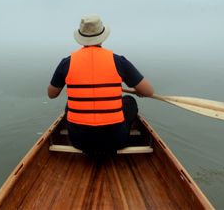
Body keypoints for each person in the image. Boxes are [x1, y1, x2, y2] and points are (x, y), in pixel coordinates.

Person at [47, 14, 154, 155]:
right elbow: (149, 92)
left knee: (69, 104)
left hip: (79, 141)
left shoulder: (66, 63)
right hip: (116, 140)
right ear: (103, 36)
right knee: (129, 101)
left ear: (81, 38)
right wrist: (139, 91)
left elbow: (51, 94)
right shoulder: (119, 61)